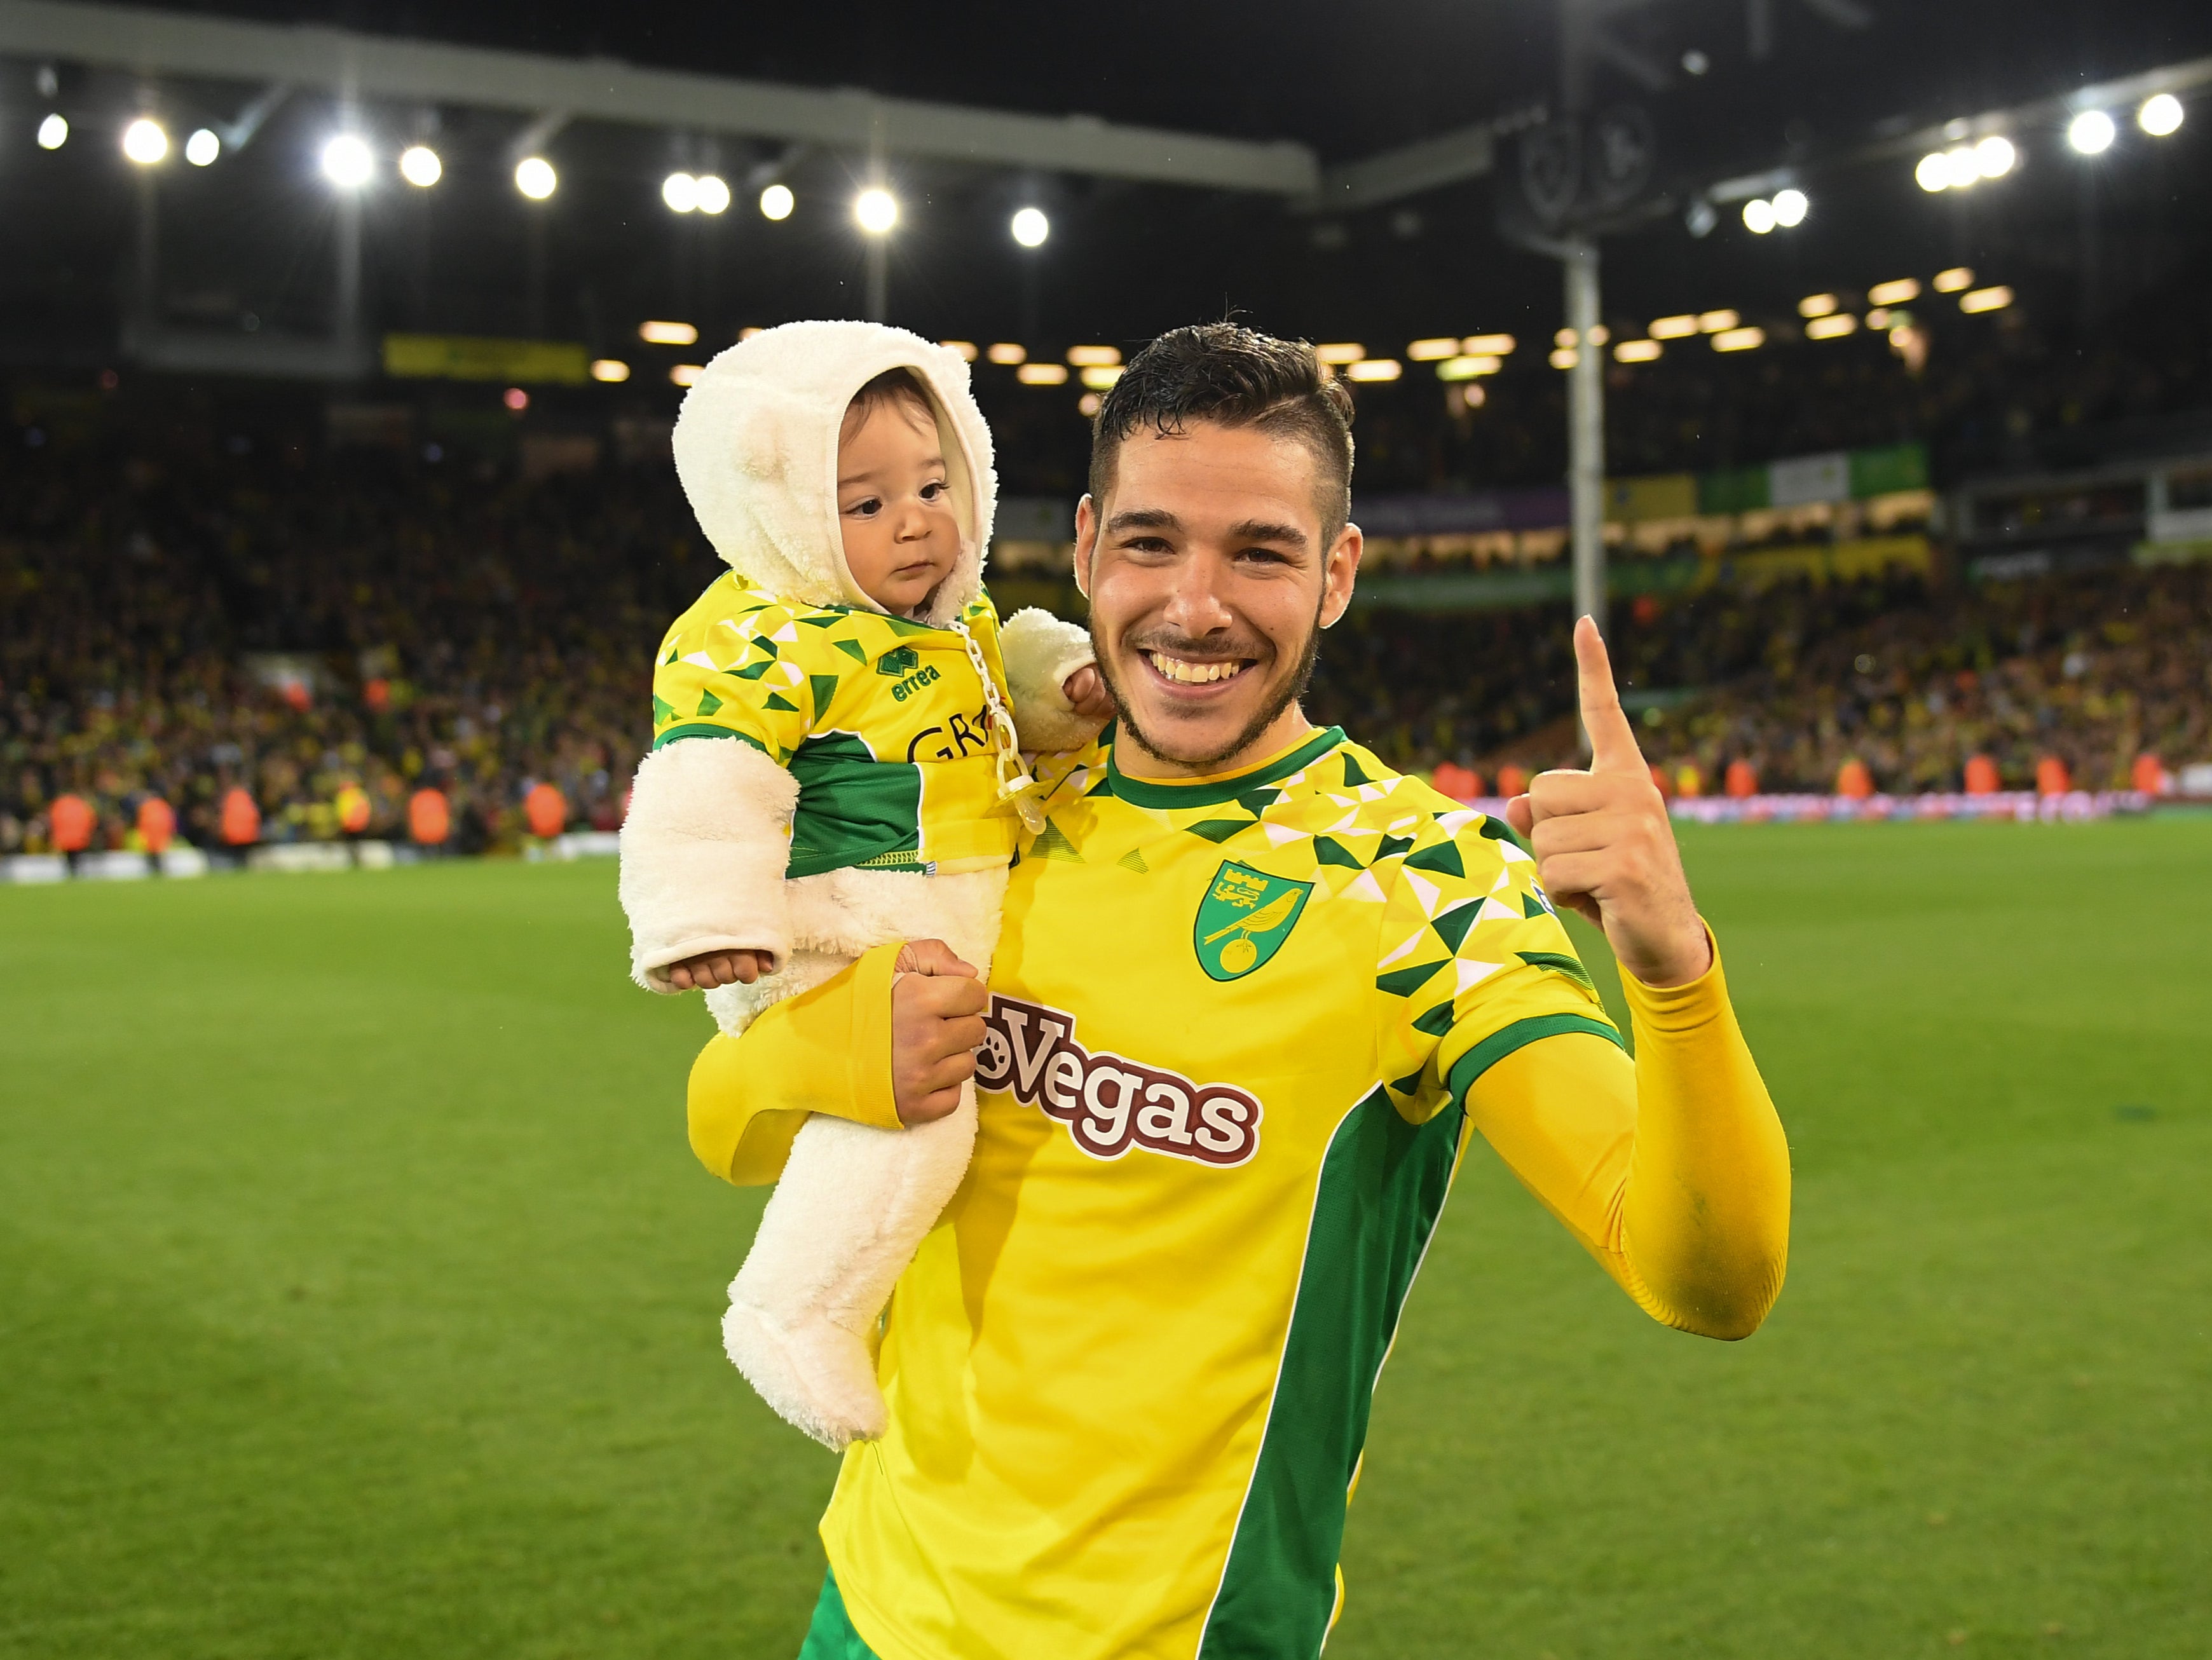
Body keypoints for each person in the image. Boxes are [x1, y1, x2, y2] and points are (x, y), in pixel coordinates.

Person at [685, 323, 1792, 1659]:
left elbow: (1707, 1281)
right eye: (1152, 543)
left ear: (1335, 575)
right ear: (1088, 546)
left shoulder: (1426, 885)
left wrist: (1674, 976)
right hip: (868, 1615)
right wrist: (831, 1054)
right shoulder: (988, 812)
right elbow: (723, 1124)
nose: (1195, 605)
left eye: (1258, 551)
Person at [620, 321, 1107, 1449]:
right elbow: (705, 776)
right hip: (828, 933)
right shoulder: (761, 637)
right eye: (866, 503)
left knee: (946, 1108)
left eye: (935, 485)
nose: (918, 521)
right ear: (782, 514)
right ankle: (794, 1310)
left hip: (929, 932)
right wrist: (707, 923)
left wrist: (1071, 683)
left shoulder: (959, 625)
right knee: (917, 1122)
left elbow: (1006, 680)